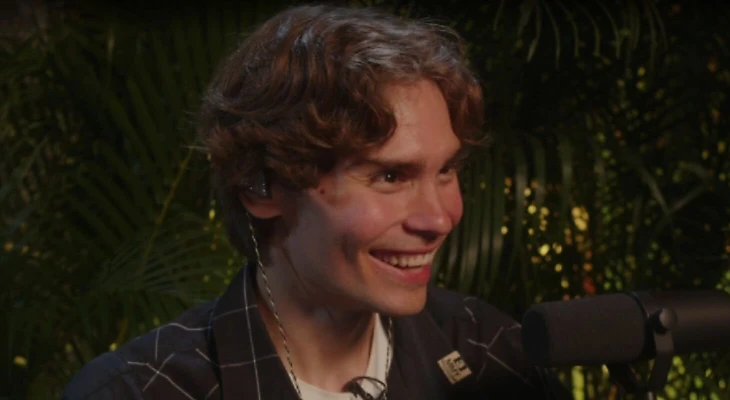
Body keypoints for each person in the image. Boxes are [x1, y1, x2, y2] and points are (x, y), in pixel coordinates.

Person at [63, 4, 573, 399]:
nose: (439, 218)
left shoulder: (488, 353)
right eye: (390, 176)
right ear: (261, 188)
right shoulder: (140, 391)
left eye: (446, 170)